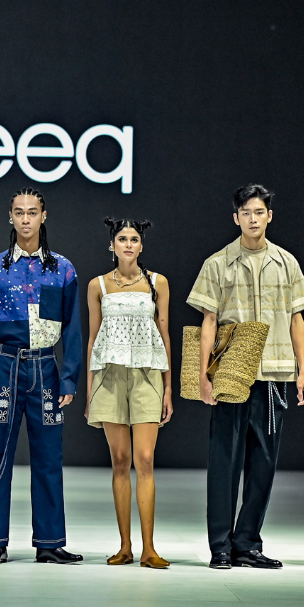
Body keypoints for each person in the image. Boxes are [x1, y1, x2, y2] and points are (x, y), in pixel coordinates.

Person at [188, 183, 304, 570]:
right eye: (246, 213)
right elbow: (208, 322)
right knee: (224, 460)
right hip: (231, 374)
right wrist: (202, 374)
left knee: (264, 463)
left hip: (274, 373)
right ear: (236, 218)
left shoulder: (287, 263)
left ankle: (247, 543)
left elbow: (296, 319)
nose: (253, 219)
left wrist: (303, 372)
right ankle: (220, 546)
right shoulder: (217, 263)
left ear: (269, 216)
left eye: (259, 212)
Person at [0, 188, 84, 565]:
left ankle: (49, 542)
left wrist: (69, 378)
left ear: (43, 216)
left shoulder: (63, 269)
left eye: (32, 212)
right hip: (4, 366)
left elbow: (72, 328)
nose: (25, 219)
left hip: (46, 369)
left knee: (50, 456)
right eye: (19, 212)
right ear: (10, 216)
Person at [83, 217, 172, 568]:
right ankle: (125, 547)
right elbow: (93, 337)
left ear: (142, 245)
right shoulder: (98, 285)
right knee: (120, 460)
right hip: (109, 375)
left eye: (134, 239)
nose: (129, 244)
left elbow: (164, 331)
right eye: (122, 239)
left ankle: (150, 549)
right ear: (112, 245)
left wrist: (168, 387)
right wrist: (89, 389)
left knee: (145, 459)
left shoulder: (157, 283)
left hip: (148, 373)